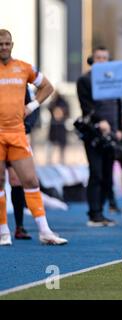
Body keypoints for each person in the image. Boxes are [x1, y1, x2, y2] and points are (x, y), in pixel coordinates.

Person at [0, 29, 68, 246]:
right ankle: (3, 232)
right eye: (0, 44)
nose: (4, 47)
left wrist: (32, 106)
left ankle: (45, 231)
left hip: (18, 133)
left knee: (30, 180)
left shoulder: (23, 68)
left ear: (12, 44)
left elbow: (47, 87)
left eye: (7, 43)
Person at [76, 46, 122, 227]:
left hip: (112, 134)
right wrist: (100, 121)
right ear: (92, 59)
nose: (102, 61)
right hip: (94, 133)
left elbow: (119, 105)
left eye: (105, 58)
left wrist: (118, 127)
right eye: (99, 58)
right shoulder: (84, 80)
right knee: (96, 172)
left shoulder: (114, 79)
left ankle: (101, 212)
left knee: (106, 174)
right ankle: (94, 214)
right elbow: (86, 106)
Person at [8, 85, 40, 240]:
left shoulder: (20, 78)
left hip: (15, 137)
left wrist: (26, 128)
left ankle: (19, 227)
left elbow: (33, 105)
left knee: (17, 180)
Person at [47, 90, 69, 164]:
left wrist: (61, 113)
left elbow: (67, 113)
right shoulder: (53, 103)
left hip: (61, 127)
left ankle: (62, 161)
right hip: (54, 128)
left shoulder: (63, 103)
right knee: (51, 146)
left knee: (62, 146)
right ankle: (49, 162)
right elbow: (49, 109)